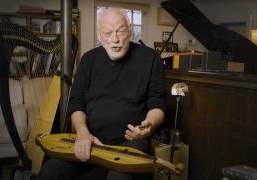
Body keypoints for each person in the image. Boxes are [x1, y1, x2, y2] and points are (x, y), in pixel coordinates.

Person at [38, 8, 167, 180]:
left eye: (121, 31)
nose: (115, 39)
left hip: (131, 142)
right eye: (107, 33)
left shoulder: (151, 58)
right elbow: (76, 103)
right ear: (99, 35)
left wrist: (148, 125)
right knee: (49, 172)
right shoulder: (88, 59)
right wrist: (83, 133)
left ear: (129, 30)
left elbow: (158, 103)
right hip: (91, 140)